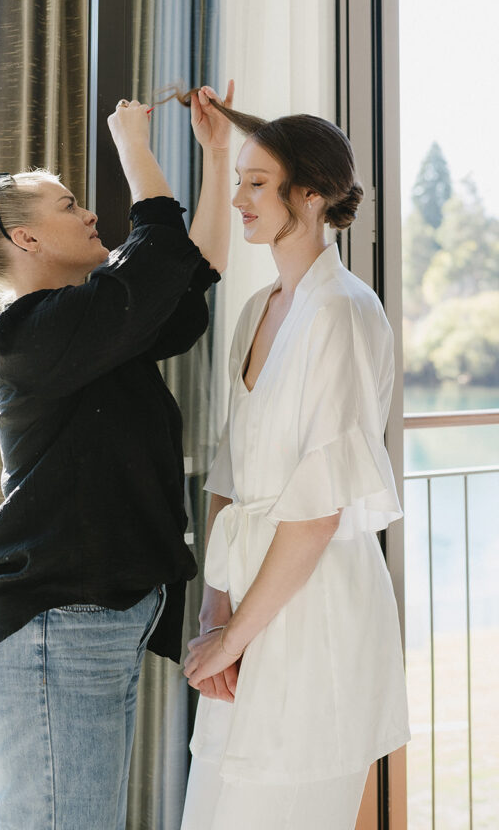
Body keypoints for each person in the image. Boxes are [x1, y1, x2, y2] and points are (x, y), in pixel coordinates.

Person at [0, 84, 233, 830]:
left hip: (87, 629)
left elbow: (184, 282)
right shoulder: (32, 334)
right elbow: (158, 257)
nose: (89, 211)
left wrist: (220, 158)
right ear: (27, 241)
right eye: (68, 204)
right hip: (52, 635)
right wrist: (131, 141)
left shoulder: (92, 334)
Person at [180, 107, 410, 830]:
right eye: (239, 181)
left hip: (312, 618)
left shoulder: (341, 313)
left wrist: (233, 635)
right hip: (245, 604)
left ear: (310, 195)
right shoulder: (256, 310)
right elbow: (227, 473)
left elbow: (317, 511)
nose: (240, 199)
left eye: (257, 183)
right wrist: (214, 615)